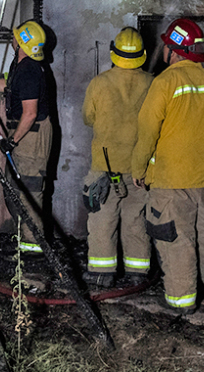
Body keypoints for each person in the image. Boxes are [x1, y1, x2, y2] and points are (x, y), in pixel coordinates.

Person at [131, 18, 204, 312]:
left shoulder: (164, 82)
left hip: (171, 179)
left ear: (172, 50)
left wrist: (139, 170)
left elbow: (147, 133)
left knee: (176, 240)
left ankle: (182, 302)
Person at [81, 27, 153, 288]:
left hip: (104, 166)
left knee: (102, 220)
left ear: (114, 52)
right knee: (136, 220)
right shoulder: (152, 83)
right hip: (139, 168)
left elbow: (88, 118)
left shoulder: (100, 83)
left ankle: (102, 273)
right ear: (143, 55)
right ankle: (137, 273)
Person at [0, 20, 52, 255]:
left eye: (16, 36)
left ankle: (32, 251)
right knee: (16, 189)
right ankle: (25, 241)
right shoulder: (22, 65)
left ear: (21, 41)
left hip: (31, 136)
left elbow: (30, 114)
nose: (13, 39)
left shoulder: (30, 70)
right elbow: (8, 86)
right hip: (24, 134)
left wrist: (13, 140)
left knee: (29, 191)